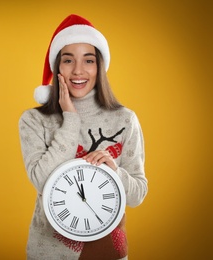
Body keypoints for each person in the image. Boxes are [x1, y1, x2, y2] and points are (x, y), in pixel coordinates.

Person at [18, 14, 148, 260]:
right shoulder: (33, 120)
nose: (78, 70)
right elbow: (42, 181)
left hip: (108, 250)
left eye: (88, 60)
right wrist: (70, 117)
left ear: (99, 67)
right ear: (57, 67)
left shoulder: (125, 119)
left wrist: (115, 172)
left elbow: (137, 195)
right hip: (49, 250)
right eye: (68, 60)